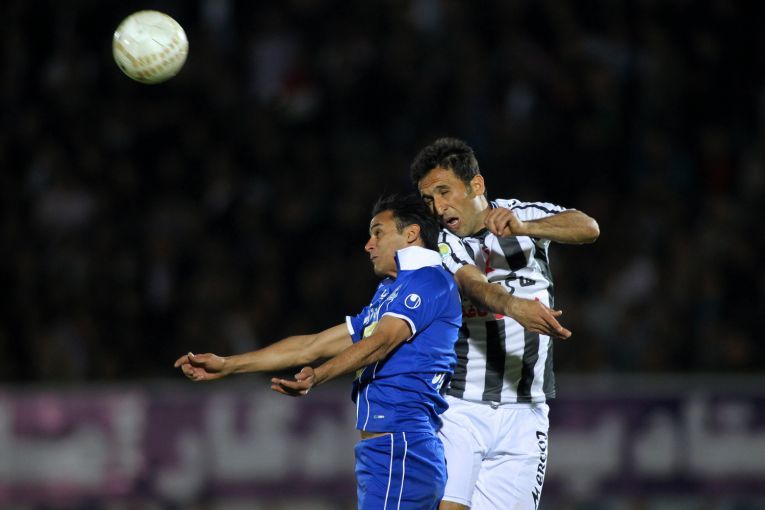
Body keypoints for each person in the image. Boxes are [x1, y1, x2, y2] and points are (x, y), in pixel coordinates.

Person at [174, 193, 462, 510]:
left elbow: (380, 343)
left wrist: (318, 376)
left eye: (378, 233)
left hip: (402, 447)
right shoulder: (390, 292)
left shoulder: (429, 279)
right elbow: (312, 346)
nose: (368, 245)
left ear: (411, 233)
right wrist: (228, 364)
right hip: (386, 451)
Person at [410, 138, 600, 510]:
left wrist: (527, 228)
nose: (438, 207)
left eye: (444, 192)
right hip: (462, 408)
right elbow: (474, 287)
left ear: (476, 185)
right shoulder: (442, 243)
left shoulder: (522, 213)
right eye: (429, 199)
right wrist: (513, 306)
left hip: (526, 413)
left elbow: (589, 227)